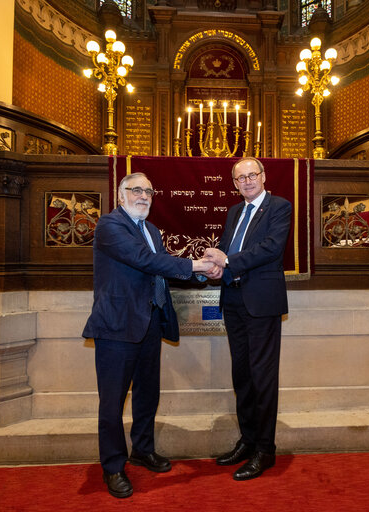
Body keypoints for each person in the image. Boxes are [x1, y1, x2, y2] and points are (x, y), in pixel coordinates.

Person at [82, 172, 214, 499]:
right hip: (117, 325)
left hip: (150, 322)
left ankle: (142, 449)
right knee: (112, 402)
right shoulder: (110, 226)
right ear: (120, 195)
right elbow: (144, 260)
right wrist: (198, 265)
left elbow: (162, 267)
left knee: (147, 394)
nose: (143, 195)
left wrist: (204, 276)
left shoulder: (152, 230)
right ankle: (113, 466)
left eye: (148, 191)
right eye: (135, 190)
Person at [203, 157, 292, 481]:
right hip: (234, 300)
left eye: (252, 175)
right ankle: (248, 440)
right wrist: (214, 262)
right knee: (242, 375)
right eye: (240, 178)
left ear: (264, 176)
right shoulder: (234, 212)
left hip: (261, 303)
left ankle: (264, 450)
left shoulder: (279, 208)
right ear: (234, 183)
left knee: (262, 377)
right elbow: (228, 251)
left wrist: (228, 260)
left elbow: (270, 248)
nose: (247, 181)